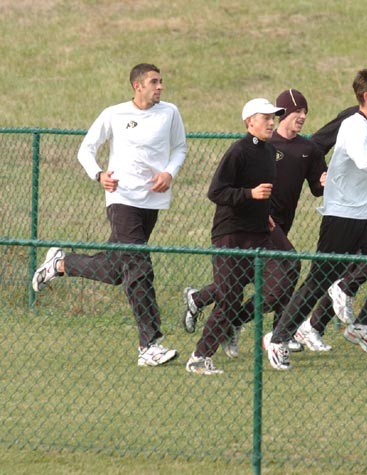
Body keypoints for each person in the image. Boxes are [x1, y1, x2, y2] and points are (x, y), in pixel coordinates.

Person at [265, 68, 367, 370]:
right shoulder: (353, 125)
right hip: (341, 217)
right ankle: (278, 339)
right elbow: (364, 162)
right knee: (318, 281)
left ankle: (361, 325)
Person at [31, 63, 187, 367]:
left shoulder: (170, 112)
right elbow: (85, 149)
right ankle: (149, 345)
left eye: (161, 82)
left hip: (152, 202)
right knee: (139, 265)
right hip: (122, 199)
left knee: (118, 269)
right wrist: (99, 174)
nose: (160, 87)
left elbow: (180, 148)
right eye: (154, 82)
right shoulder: (114, 114)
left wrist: (170, 172)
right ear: (137, 86)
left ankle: (62, 263)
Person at [182, 89, 327, 355]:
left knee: (281, 272)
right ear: (250, 121)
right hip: (236, 230)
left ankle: (252, 325)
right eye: (267, 118)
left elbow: (310, 187)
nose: (272, 122)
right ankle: (204, 351)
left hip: (263, 229)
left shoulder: (274, 151)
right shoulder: (240, 150)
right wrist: (251, 195)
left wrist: (326, 182)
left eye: (273, 117)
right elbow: (216, 192)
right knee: (234, 291)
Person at [296, 63, 367, 350]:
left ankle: (317, 325)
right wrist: (320, 177)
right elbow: (316, 146)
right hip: (345, 209)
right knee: (335, 271)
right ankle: (303, 327)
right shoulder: (352, 118)